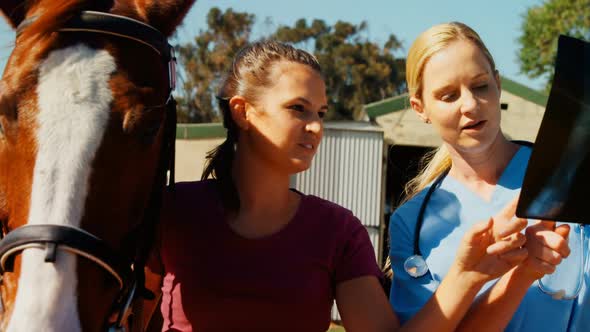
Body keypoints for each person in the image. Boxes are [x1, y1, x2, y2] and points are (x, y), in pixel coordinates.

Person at [157, 40, 528, 332]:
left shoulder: (337, 231)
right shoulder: (171, 212)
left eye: (320, 113)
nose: (317, 127)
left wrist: (468, 274)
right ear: (243, 111)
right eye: (297, 109)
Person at [388, 22, 589, 331]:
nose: (470, 105)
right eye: (448, 95)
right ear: (420, 107)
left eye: (480, 86)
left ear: (498, 85)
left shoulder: (569, 174)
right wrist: (520, 271)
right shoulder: (410, 225)